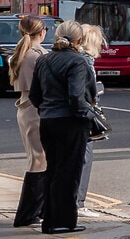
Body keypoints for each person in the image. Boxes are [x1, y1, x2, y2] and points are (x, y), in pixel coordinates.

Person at [29, 21, 96, 234]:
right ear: (79, 40)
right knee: (69, 174)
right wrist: (87, 115)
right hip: (71, 123)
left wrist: (47, 110)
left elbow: (34, 96)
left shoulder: (44, 60)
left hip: (48, 122)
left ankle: (49, 221)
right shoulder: (77, 62)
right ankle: (64, 222)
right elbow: (77, 97)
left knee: (53, 171)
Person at [9, 16, 49, 230]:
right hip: (36, 110)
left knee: (37, 159)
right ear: (41, 32)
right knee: (39, 161)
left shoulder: (21, 52)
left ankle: (36, 211)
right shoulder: (38, 55)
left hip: (25, 109)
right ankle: (28, 213)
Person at [73, 27, 108, 211]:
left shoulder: (71, 58)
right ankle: (78, 204)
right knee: (84, 160)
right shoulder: (85, 61)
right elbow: (84, 93)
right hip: (81, 118)